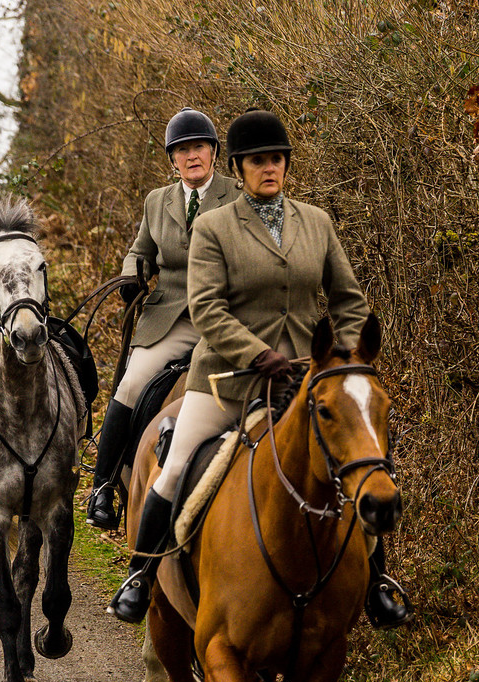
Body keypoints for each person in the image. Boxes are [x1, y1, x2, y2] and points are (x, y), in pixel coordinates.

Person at [109, 109, 414, 630]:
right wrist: (257, 354)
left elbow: (347, 299)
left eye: (276, 159)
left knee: (356, 465)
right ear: (240, 168)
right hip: (227, 379)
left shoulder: (316, 222)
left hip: (301, 381)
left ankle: (377, 582)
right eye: (256, 161)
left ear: (286, 165)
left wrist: (349, 357)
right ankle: (141, 574)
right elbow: (206, 308)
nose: (268, 168)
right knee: (178, 461)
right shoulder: (213, 227)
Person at [86, 107, 239, 529]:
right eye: (183, 150)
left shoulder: (238, 197)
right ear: (172, 160)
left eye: (200, 148)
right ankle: (101, 488)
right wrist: (130, 276)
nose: (193, 156)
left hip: (225, 315)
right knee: (133, 384)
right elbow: (140, 252)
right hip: (171, 316)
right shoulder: (158, 201)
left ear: (213, 152)